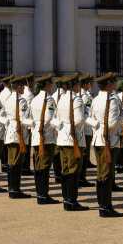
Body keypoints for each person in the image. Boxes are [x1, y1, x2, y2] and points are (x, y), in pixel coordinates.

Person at [88, 72, 123, 218]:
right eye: (114, 82)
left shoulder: (96, 99)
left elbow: (90, 118)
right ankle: (105, 207)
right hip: (108, 141)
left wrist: (97, 127)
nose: (116, 84)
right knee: (106, 175)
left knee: (102, 173)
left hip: (98, 140)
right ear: (109, 84)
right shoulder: (112, 100)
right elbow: (111, 123)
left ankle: (104, 205)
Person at [54, 74, 89, 212]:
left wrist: (63, 127)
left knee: (66, 169)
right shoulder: (76, 99)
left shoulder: (61, 98)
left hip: (62, 138)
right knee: (74, 170)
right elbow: (80, 119)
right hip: (73, 138)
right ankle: (72, 201)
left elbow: (56, 118)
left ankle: (66, 200)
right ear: (74, 85)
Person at [1, 75, 33, 199]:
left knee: (11, 162)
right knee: (16, 163)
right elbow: (24, 119)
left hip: (10, 133)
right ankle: (15, 190)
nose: (25, 88)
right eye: (23, 86)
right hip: (18, 134)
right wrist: (34, 124)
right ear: (18, 87)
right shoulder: (21, 100)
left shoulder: (9, 99)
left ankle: (12, 188)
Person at [29, 74, 59, 204]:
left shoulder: (35, 99)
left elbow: (31, 118)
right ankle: (43, 195)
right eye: (51, 83)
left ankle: (40, 194)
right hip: (46, 137)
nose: (52, 86)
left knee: (39, 166)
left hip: (37, 136)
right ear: (47, 84)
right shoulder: (49, 99)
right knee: (45, 167)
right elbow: (49, 118)